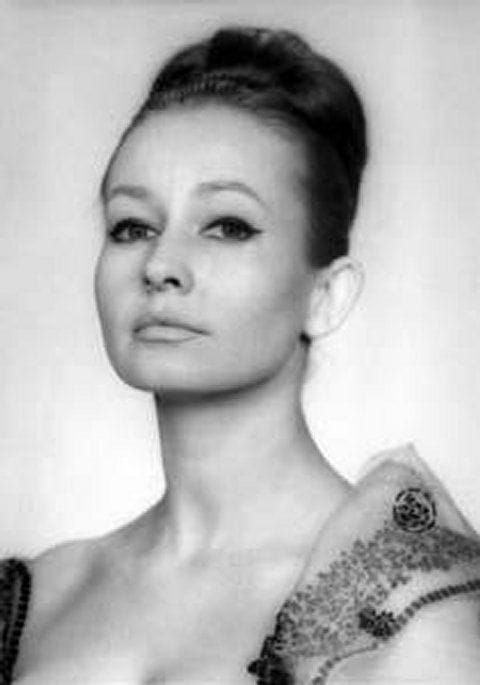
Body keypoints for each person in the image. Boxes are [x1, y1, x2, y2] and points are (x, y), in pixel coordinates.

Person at [2, 25, 480, 685]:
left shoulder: (415, 603)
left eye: (228, 226)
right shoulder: (34, 600)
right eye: (131, 226)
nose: (160, 265)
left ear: (326, 296)